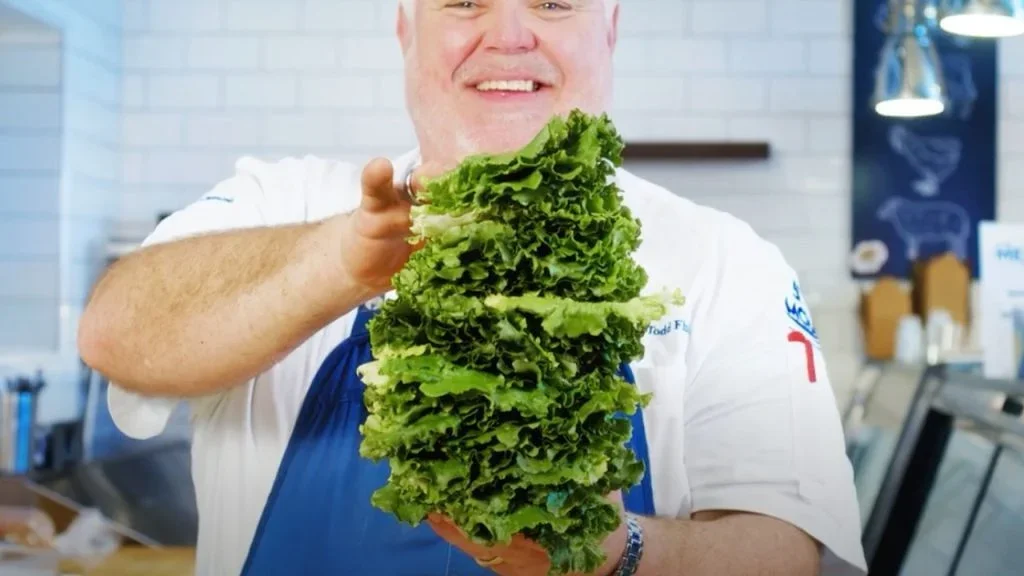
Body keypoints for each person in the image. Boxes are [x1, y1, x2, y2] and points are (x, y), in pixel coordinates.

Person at [78, 1, 868, 575]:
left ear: (611, 25)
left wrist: (621, 554)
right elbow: (116, 330)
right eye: (465, 1)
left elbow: (782, 553)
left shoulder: (728, 262)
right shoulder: (282, 205)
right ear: (405, 27)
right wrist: (339, 261)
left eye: (553, 2)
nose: (510, 33)